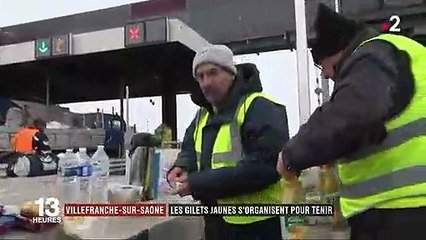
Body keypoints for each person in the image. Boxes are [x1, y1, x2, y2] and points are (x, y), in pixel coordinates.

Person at [276, 3, 426, 240]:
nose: (324, 74)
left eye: (321, 64)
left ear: (337, 52)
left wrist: (291, 155)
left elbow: (349, 116)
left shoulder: (373, 55)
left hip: (402, 211)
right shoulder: (398, 55)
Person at [167, 45, 289, 240]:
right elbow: (190, 147)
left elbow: (264, 169)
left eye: (213, 73)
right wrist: (182, 165)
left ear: (231, 74)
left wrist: (196, 183)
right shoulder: (202, 116)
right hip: (215, 223)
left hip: (256, 226)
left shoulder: (259, 107)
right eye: (200, 76)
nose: (206, 83)